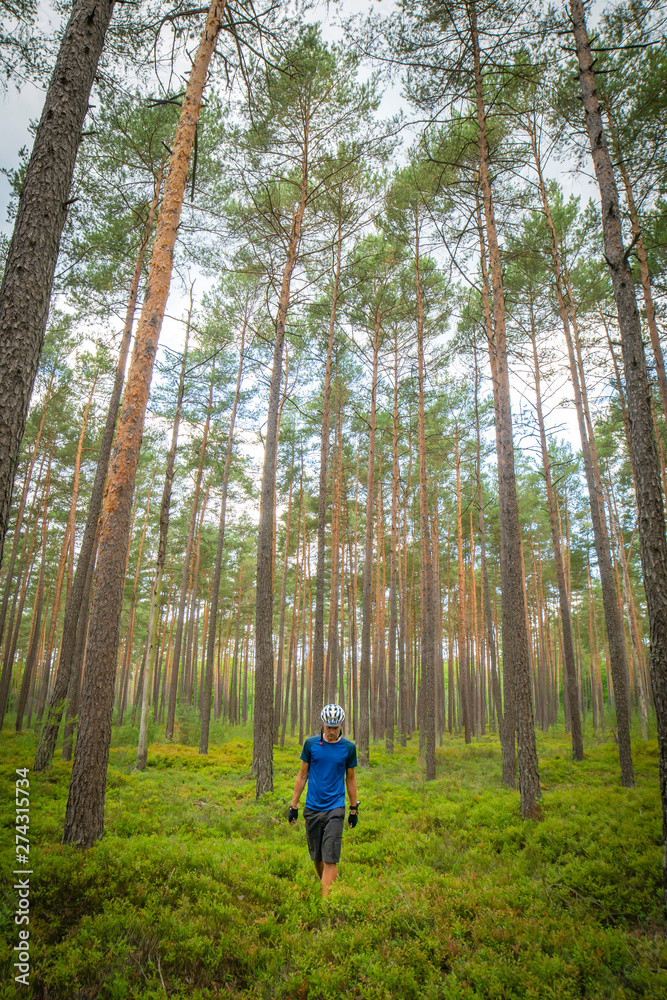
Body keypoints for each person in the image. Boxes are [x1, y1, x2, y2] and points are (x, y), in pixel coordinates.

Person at [288, 703, 359, 898]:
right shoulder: (311, 745)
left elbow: (350, 779)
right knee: (317, 857)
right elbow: (302, 775)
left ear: (341, 725)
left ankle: (328, 906)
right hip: (312, 808)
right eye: (329, 728)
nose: (332, 732)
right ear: (322, 724)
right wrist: (293, 806)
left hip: (335, 808)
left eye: (335, 728)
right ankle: (327, 884)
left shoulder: (348, 748)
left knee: (330, 858)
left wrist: (353, 809)